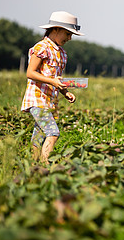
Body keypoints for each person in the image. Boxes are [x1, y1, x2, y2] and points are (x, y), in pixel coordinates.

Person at [21, 11, 84, 163]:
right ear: (55, 29)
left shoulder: (62, 53)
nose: (69, 38)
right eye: (67, 34)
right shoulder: (41, 47)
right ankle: (45, 164)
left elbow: (57, 79)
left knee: (39, 134)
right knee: (53, 132)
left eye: (71, 35)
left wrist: (65, 92)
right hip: (37, 99)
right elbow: (30, 73)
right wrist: (52, 82)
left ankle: (32, 166)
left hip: (50, 101)